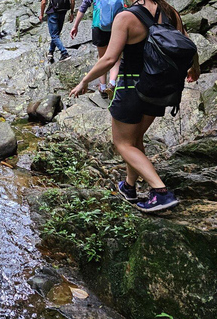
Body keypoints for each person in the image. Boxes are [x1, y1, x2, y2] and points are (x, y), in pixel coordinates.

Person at [69, 0, 200, 212]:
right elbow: (187, 42)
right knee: (135, 140)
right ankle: (129, 187)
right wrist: (195, 67)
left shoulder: (126, 17)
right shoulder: (170, 12)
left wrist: (84, 81)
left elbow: (109, 58)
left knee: (123, 144)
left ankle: (160, 192)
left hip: (131, 88)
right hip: (160, 88)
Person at [70, 0, 123, 99]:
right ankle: (112, 83)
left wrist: (75, 26)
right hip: (117, 26)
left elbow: (83, 6)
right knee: (116, 57)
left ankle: (102, 87)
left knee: (102, 57)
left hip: (99, 26)